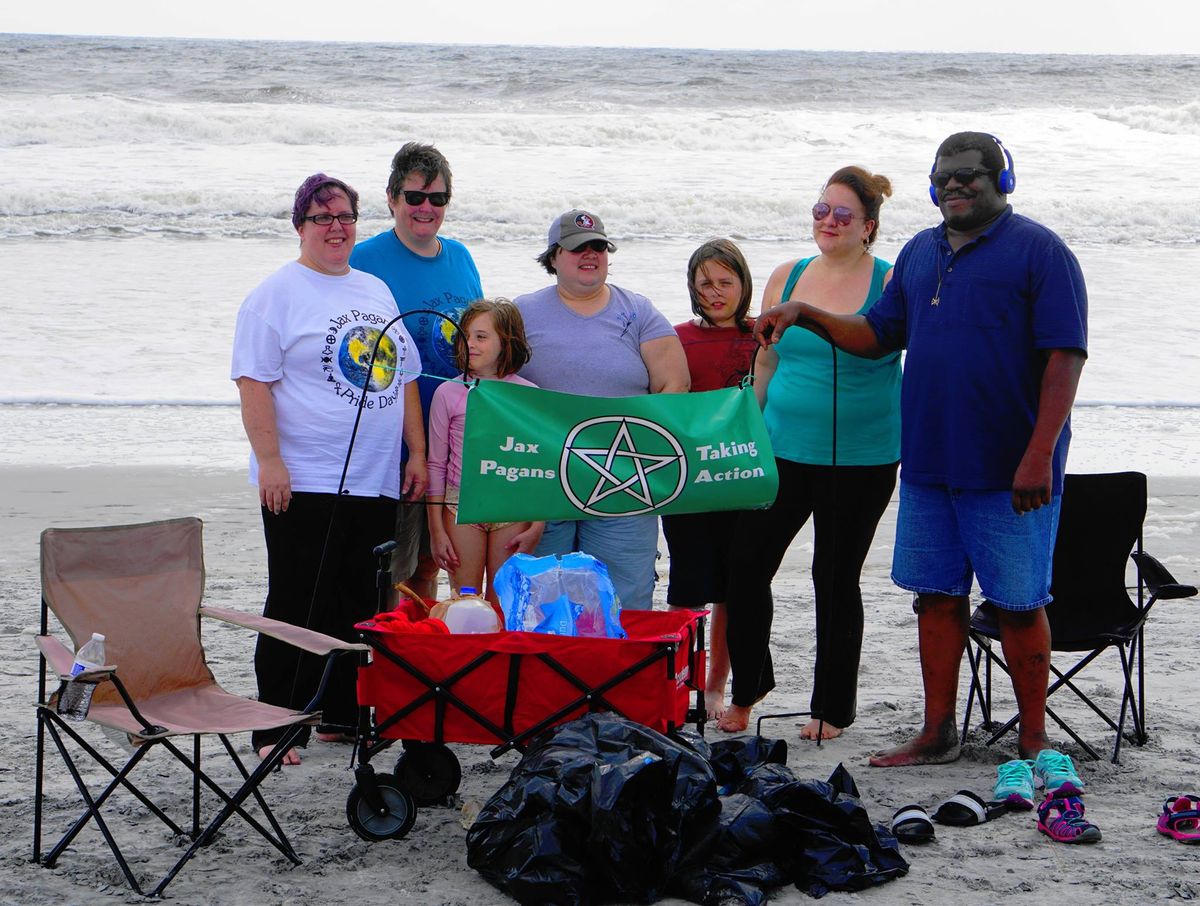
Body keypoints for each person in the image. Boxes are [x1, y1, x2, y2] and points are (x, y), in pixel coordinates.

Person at [754, 132, 1088, 765]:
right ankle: (937, 733)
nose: (956, 184)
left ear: (1002, 181)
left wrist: (1040, 452)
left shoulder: (1041, 252)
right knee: (933, 597)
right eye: (945, 177)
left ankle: (1034, 737)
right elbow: (879, 335)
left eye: (971, 174)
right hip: (929, 465)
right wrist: (804, 312)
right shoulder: (918, 251)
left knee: (1018, 606)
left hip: (1010, 468)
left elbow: (1064, 357)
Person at [232, 173, 426, 764]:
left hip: (374, 476)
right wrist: (270, 461)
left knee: (357, 602)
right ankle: (276, 724)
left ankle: (343, 715)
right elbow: (253, 383)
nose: (336, 228)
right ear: (301, 227)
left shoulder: (374, 290)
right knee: (295, 600)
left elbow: (407, 378)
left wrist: (416, 454)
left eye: (344, 217)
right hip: (304, 478)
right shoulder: (275, 295)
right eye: (323, 218)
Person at [718, 168, 901, 739]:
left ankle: (832, 710)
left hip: (864, 457)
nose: (828, 221)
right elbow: (766, 363)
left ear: (868, 226)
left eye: (842, 214)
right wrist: (750, 434)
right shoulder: (786, 276)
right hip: (783, 450)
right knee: (745, 569)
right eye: (821, 209)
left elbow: (895, 351)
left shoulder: (892, 281)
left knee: (835, 577)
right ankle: (749, 691)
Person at [515, 209, 690, 609]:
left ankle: (622, 671)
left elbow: (674, 384)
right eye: (578, 248)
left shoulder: (638, 311)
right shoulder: (521, 313)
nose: (589, 255)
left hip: (623, 478)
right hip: (543, 477)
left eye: (598, 247)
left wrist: (629, 451)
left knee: (624, 598)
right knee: (543, 598)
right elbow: (492, 381)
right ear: (554, 256)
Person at [350, 142, 483, 602]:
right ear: (391, 198)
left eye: (437, 198)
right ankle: (383, 660)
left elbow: (478, 344)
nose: (426, 208)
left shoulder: (461, 257)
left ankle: (422, 665)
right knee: (393, 567)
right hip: (393, 440)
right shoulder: (363, 261)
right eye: (414, 197)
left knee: (434, 561)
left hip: (454, 438)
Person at [661, 238, 759, 719]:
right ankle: (683, 681)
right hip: (686, 480)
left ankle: (715, 685)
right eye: (705, 284)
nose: (716, 293)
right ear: (692, 288)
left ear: (743, 284)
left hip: (742, 478)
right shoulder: (674, 336)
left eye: (726, 282)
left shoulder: (764, 335)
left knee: (733, 589)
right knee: (686, 584)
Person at [426, 298, 543, 604]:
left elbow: (539, 465)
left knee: (504, 602)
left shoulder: (529, 395)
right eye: (464, 336)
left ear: (507, 342)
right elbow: (436, 464)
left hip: (511, 506)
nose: (470, 344)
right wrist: (436, 530)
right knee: (466, 602)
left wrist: (538, 525)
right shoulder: (447, 392)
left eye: (481, 337)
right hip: (460, 505)